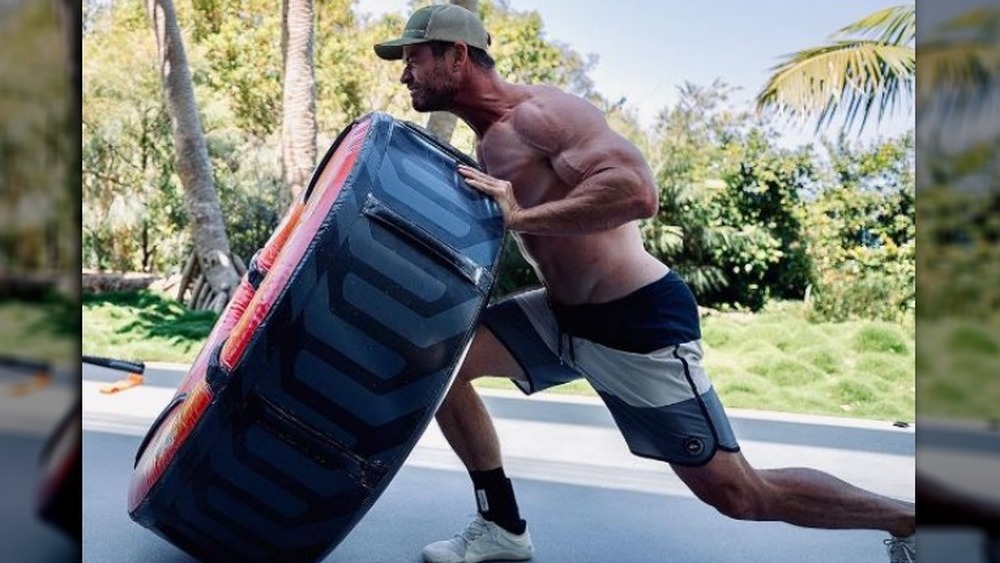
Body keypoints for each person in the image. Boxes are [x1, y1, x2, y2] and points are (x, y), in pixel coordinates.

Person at [374, 5, 916, 563]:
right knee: (436, 360)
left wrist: (521, 217)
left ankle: (912, 518)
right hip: (561, 315)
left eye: (414, 58)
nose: (405, 74)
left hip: (633, 319)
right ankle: (502, 526)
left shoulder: (542, 114)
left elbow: (636, 193)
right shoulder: (489, 143)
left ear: (456, 56)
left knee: (737, 493)